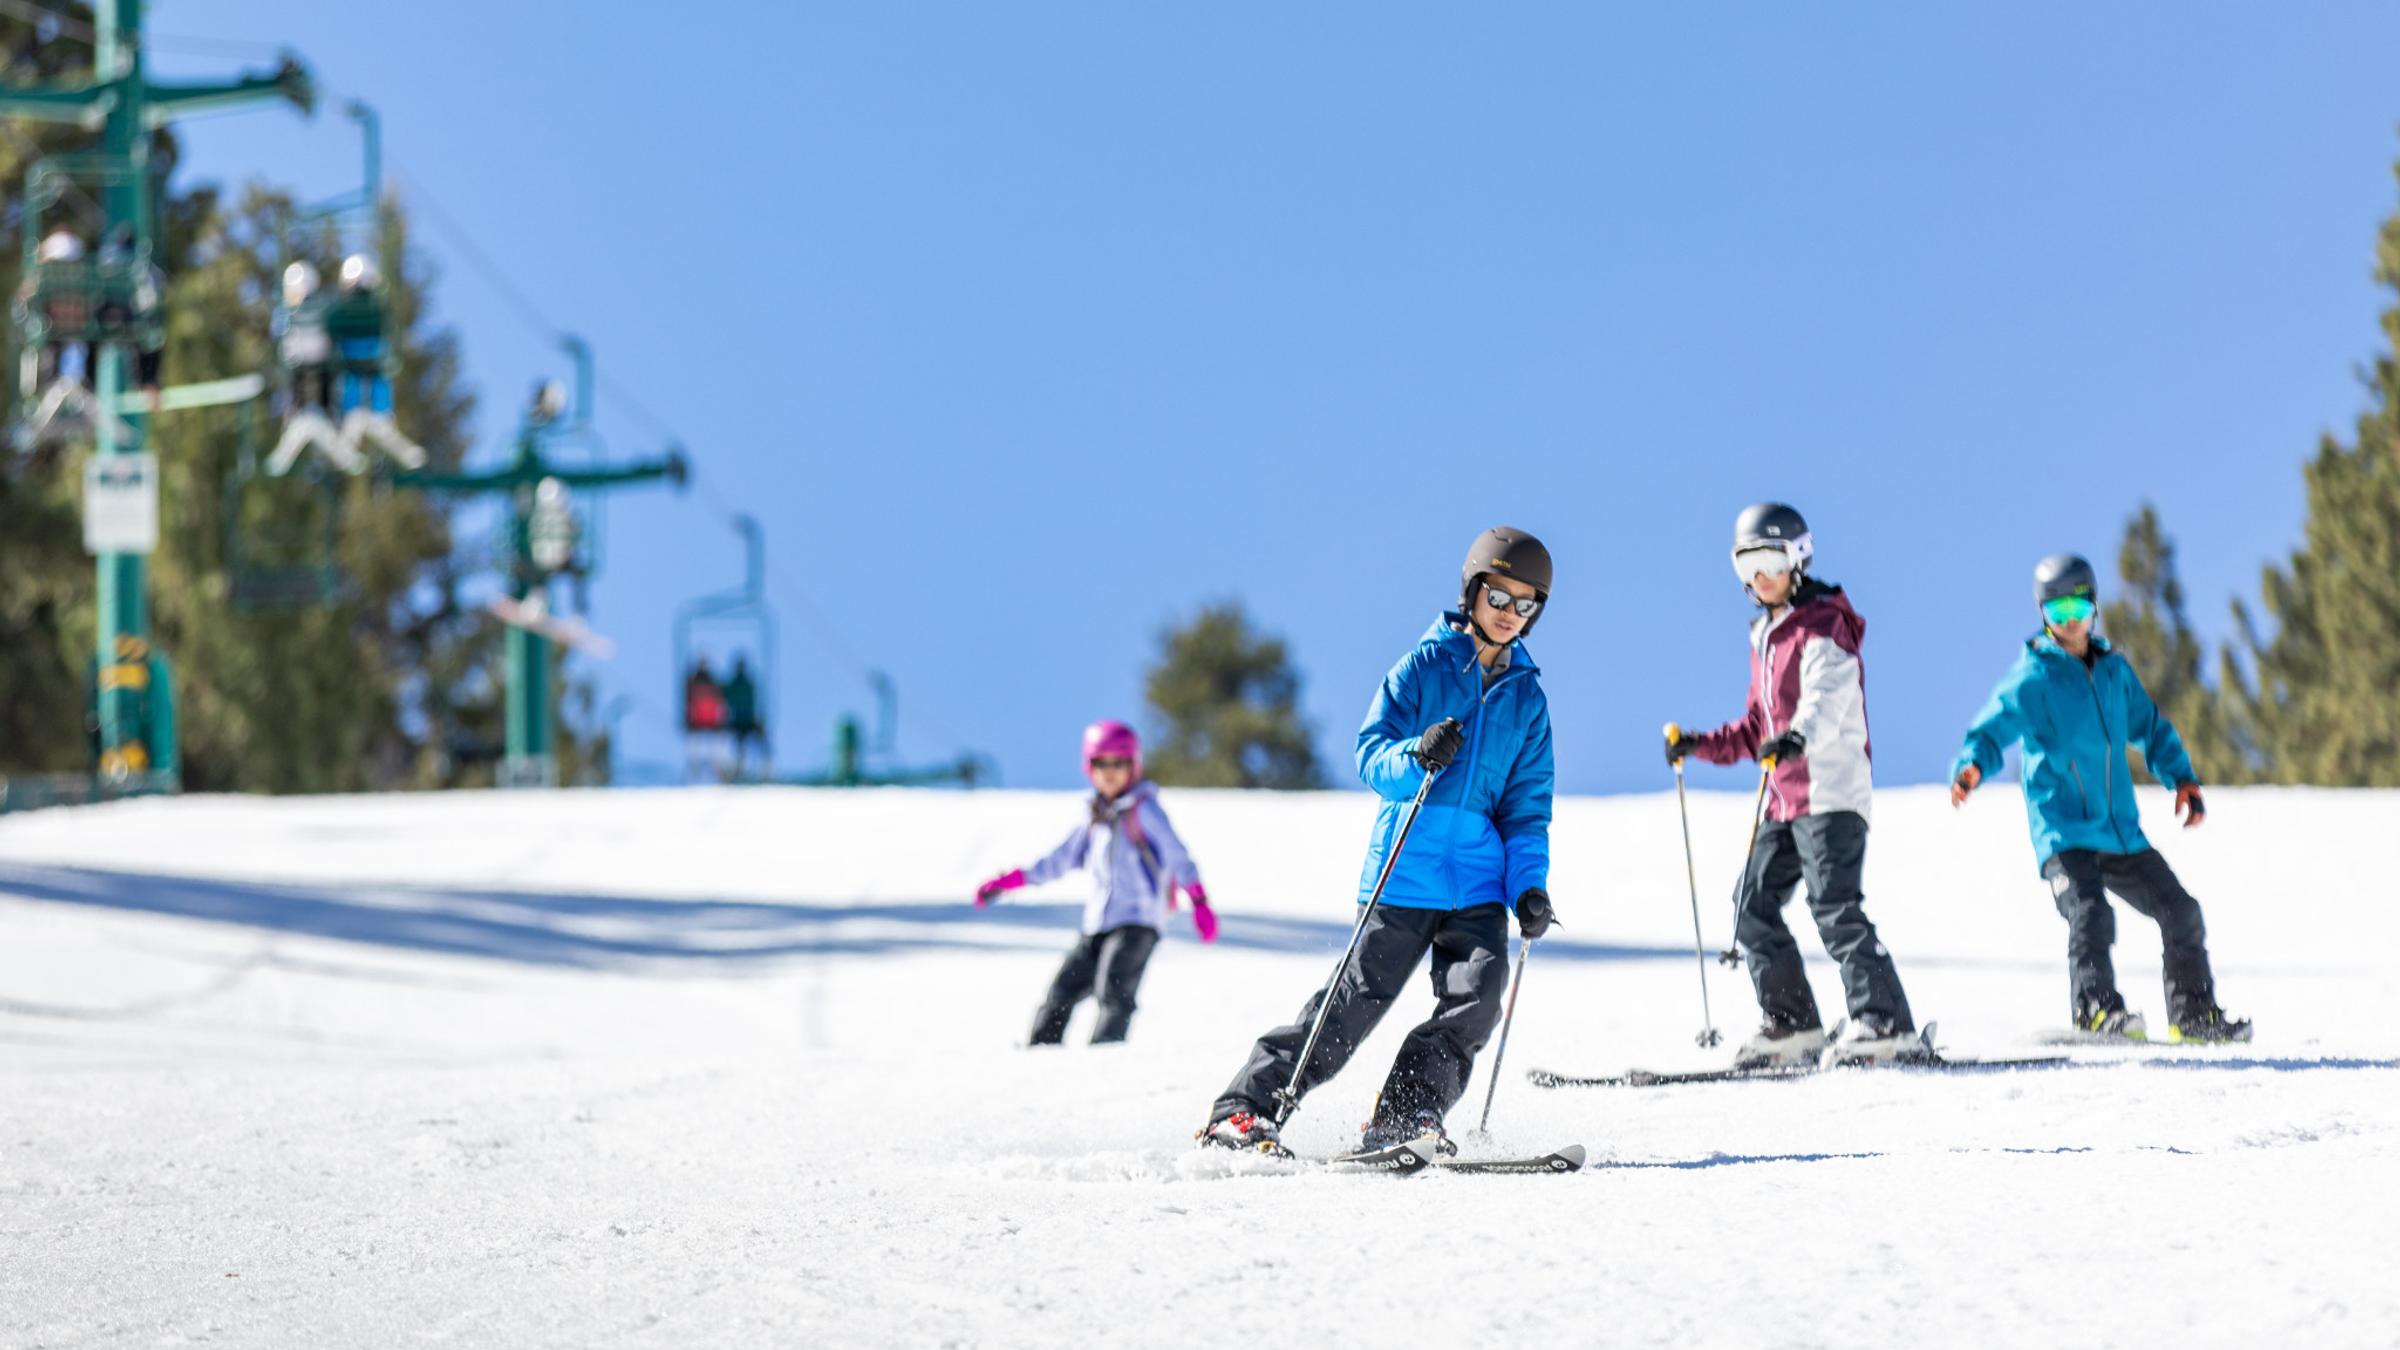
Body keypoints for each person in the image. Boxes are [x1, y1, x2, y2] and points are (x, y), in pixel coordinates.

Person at [1198, 526, 1559, 1157]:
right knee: (1349, 1008)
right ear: (1472, 592)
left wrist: (1527, 887)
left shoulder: (1527, 700)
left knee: (1475, 1001)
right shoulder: (1424, 666)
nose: (1509, 615)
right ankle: (1244, 1109)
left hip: (1478, 884)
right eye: (1499, 597)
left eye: (1525, 604)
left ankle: (1404, 1117)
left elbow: (1526, 812)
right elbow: (1371, 753)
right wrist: (1416, 755)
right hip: (1404, 875)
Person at [1950, 553, 2250, 1043]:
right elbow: (1992, 724)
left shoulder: (2113, 674)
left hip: (2119, 831)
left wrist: (2183, 780)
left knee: (2181, 911)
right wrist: (1971, 765)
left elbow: (2150, 728)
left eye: (2078, 610)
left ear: (2095, 609)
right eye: (2056, 613)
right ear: (2042, 616)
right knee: (2090, 914)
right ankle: (2095, 1009)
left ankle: (2194, 1016)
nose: (2069, 623)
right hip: (2065, 830)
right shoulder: (2035, 677)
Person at [1668, 502, 1917, 1067]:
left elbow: (1827, 698)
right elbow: (1758, 728)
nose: (1759, 577)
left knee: (1833, 905)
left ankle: (1885, 1022)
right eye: (1746, 566)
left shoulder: (1825, 624)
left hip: (1830, 792)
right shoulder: (1767, 635)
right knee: (1750, 904)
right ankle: (1794, 1022)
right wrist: (1699, 744)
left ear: (1798, 560)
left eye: (1770, 561)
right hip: (1783, 801)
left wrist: (1798, 739)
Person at [974, 720, 1216, 1045]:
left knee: (1114, 989)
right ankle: (1038, 1052)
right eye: (1101, 763)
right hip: (1098, 923)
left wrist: (1199, 901)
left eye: (1119, 763)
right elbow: (1059, 860)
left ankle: (1104, 1058)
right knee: (1062, 991)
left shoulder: (1145, 810)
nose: (1110, 772)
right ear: (1089, 767)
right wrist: (1012, 881)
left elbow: (1177, 856)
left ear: (1133, 765)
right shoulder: (1093, 816)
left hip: (1137, 921)